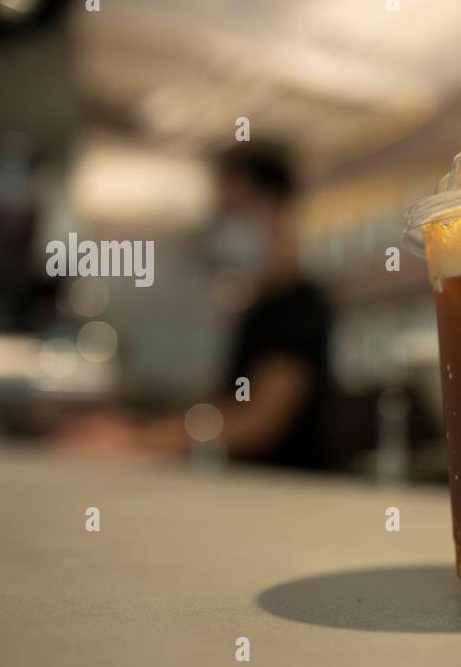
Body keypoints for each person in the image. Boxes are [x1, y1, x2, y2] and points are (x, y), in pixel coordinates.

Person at [59, 147, 331, 469]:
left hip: (281, 498)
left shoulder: (299, 308)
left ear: (276, 207)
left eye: (235, 208)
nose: (227, 225)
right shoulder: (258, 303)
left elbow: (259, 421)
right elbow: (225, 405)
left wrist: (135, 440)